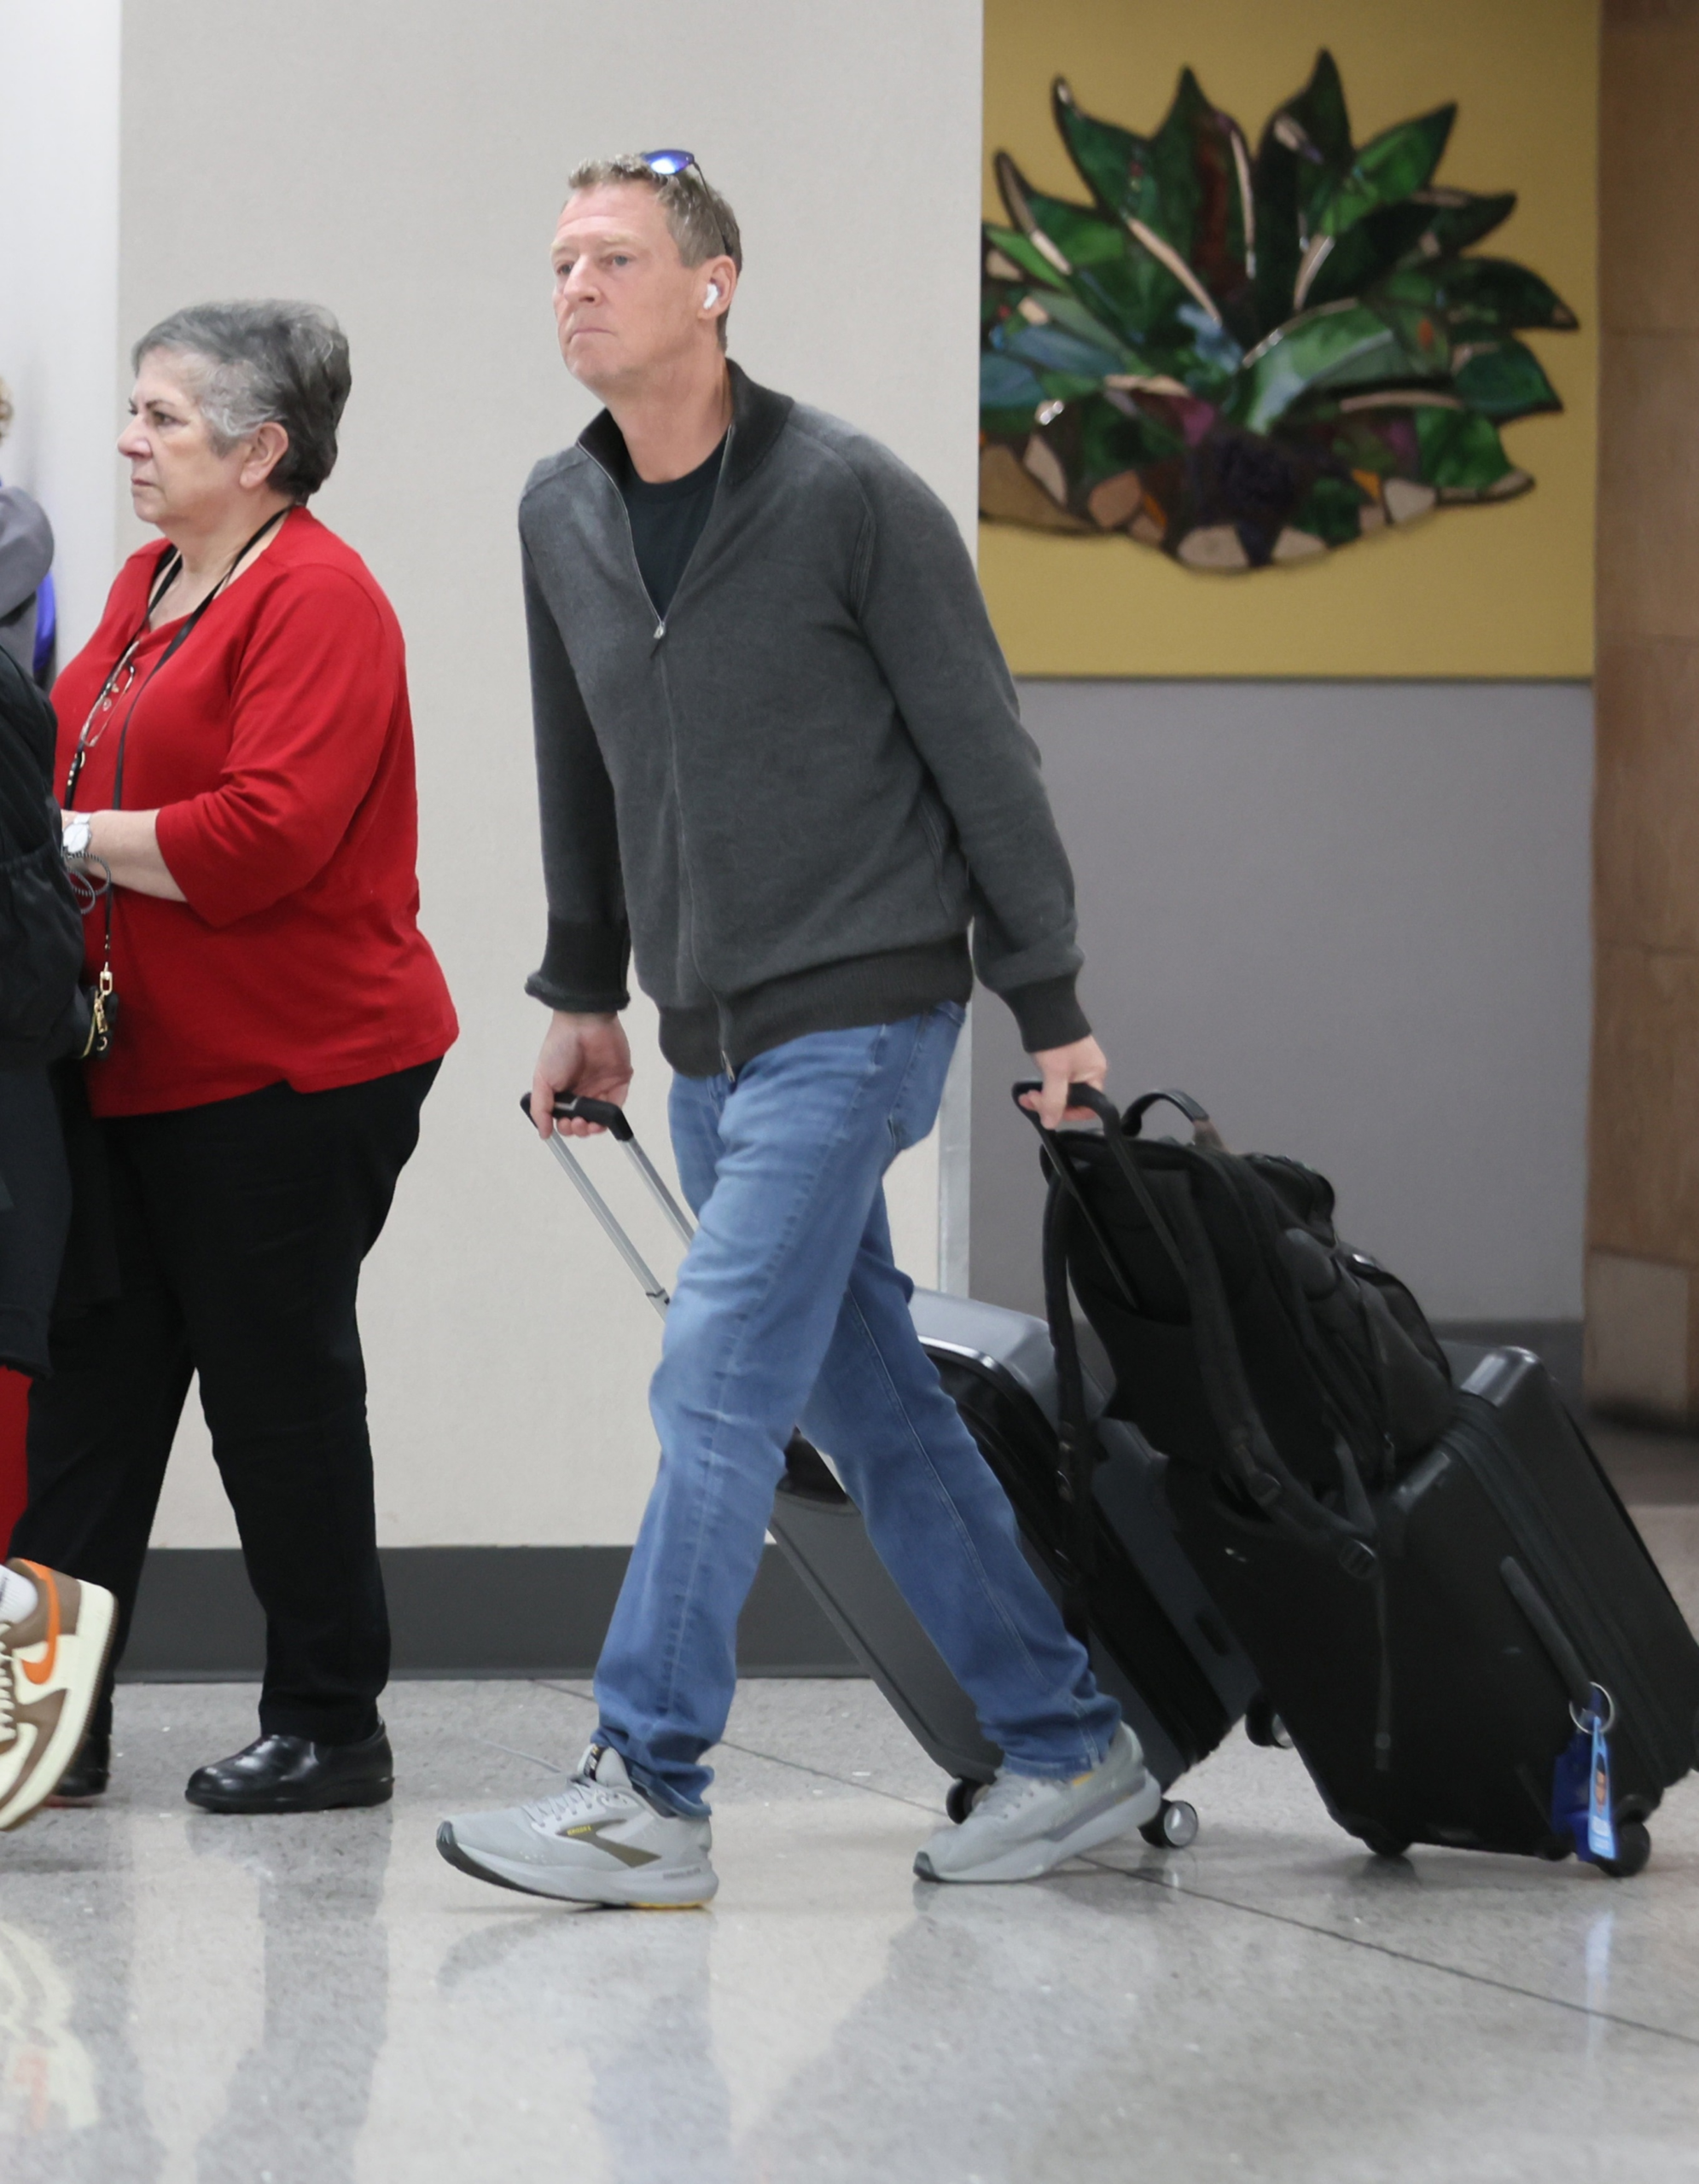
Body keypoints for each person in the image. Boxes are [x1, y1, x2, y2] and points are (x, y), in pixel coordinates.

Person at [438, 154, 1159, 1906]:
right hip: (705, 1040)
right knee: (878, 1408)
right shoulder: (557, 509)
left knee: (714, 1367)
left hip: (863, 1010)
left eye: (612, 257)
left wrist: (1049, 1007)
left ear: (715, 283)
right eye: (556, 263)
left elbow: (986, 757)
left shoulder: (847, 494)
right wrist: (580, 992)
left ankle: (648, 1785)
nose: (575, 288)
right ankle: (1067, 1743)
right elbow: (577, 765)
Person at [10, 301, 457, 1814]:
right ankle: (47, 1733)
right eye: (133, 412)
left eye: (163, 419)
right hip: (133, 1069)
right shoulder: (147, 583)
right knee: (93, 1406)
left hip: (293, 1074)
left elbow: (259, 842)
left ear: (263, 449)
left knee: (279, 1397)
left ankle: (333, 1722)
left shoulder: (319, 601)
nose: (128, 442)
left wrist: (61, 845)